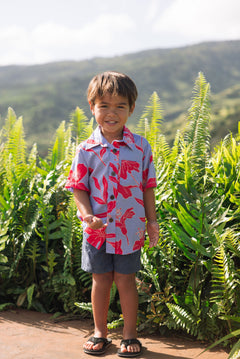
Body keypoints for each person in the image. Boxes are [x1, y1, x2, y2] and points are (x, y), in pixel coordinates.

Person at [65, 71, 159, 357]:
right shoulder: (85, 150)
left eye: (120, 106)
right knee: (101, 280)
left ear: (131, 109)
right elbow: (78, 187)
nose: (111, 112)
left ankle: (130, 336)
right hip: (97, 231)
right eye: (104, 105)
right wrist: (86, 215)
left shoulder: (141, 147)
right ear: (92, 107)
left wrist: (152, 222)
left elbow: (148, 187)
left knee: (126, 280)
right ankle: (99, 333)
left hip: (130, 228)